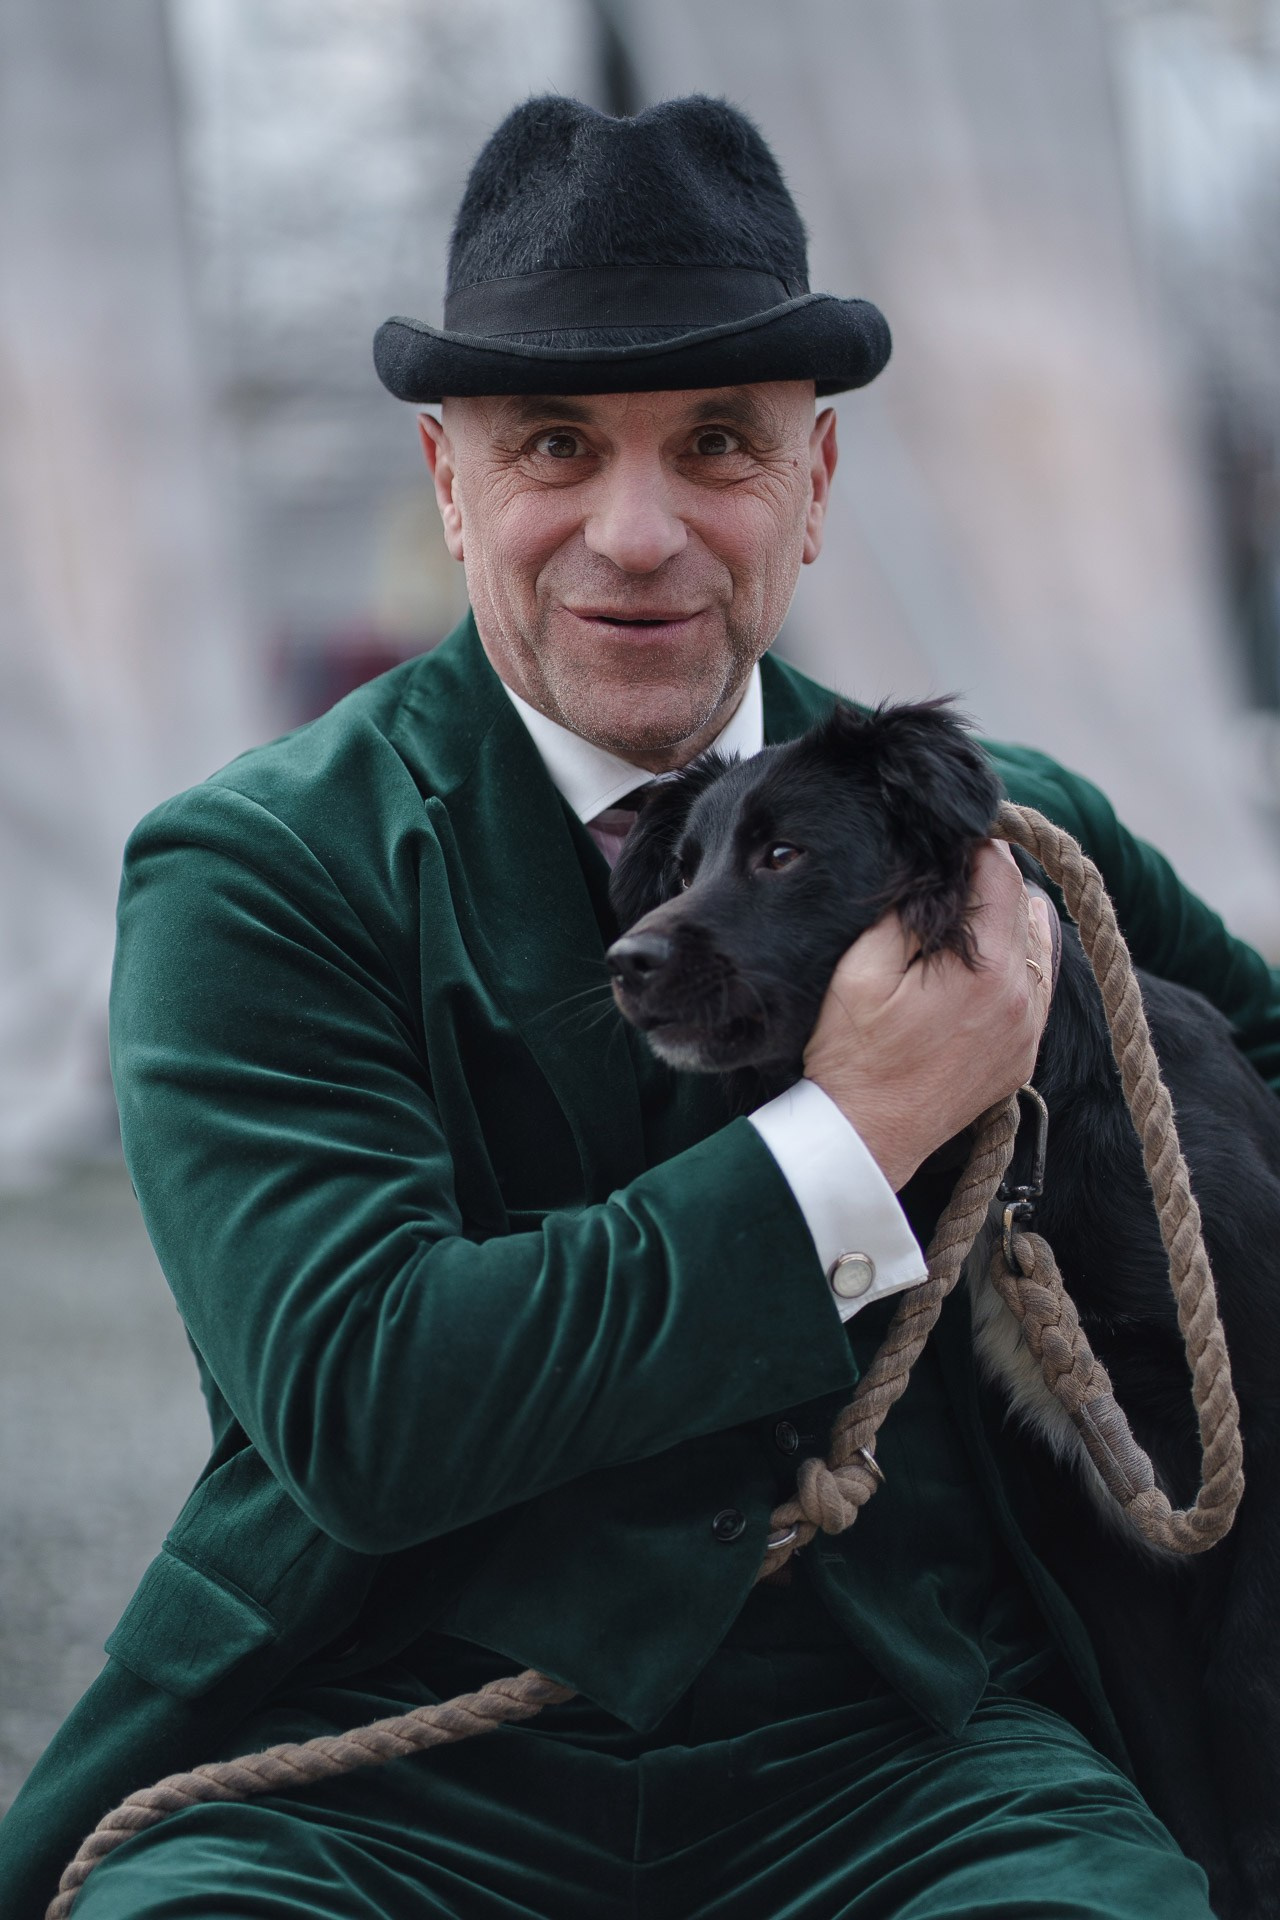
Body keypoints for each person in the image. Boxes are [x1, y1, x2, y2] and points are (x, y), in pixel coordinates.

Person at [4, 92, 1276, 1920]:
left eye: (714, 447)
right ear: (449, 488)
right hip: (373, 1755)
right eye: (552, 447)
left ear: (813, 487)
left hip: (915, 1756)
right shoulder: (253, 874)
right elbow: (372, 1403)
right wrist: (865, 1137)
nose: (638, 532)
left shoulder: (1009, 844)